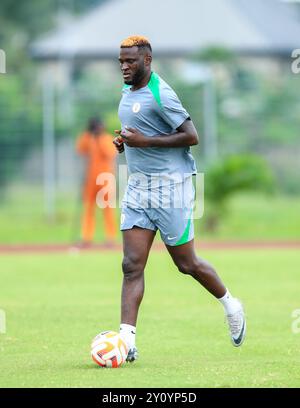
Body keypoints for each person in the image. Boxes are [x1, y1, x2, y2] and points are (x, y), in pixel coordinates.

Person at [113, 36, 246, 362]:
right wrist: (126, 143)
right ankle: (126, 341)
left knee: (186, 264)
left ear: (147, 60)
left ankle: (231, 304)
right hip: (138, 188)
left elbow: (191, 136)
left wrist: (144, 142)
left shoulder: (163, 94)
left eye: (130, 61)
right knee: (131, 265)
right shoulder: (127, 92)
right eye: (121, 62)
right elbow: (138, 131)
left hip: (172, 188)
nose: (124, 67)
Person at [76, 117, 117, 245]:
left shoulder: (106, 138)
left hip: (105, 179)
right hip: (90, 179)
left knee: (108, 208)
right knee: (88, 208)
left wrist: (98, 139)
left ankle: (110, 237)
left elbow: (109, 153)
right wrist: (88, 134)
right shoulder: (88, 138)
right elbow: (80, 149)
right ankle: (87, 237)